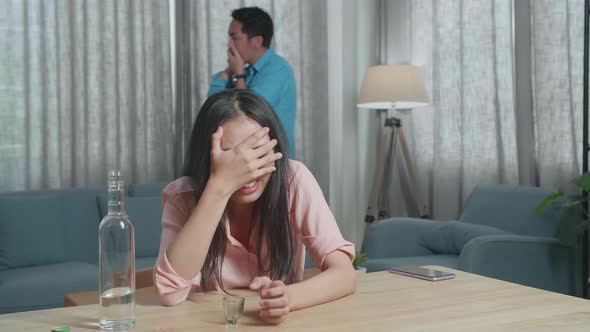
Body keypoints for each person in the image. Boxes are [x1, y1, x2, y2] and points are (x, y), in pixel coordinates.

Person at [154, 89, 355, 325]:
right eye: (231, 156)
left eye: (258, 152)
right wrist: (220, 186)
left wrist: (287, 297)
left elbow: (344, 275)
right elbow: (170, 292)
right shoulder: (183, 196)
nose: (247, 167)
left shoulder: (294, 180)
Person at [208, 6, 297, 157]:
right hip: (242, 158)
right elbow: (212, 111)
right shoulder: (244, 70)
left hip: (272, 161)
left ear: (257, 41)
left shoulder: (278, 69)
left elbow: (247, 114)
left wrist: (238, 75)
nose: (229, 45)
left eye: (235, 38)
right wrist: (228, 72)